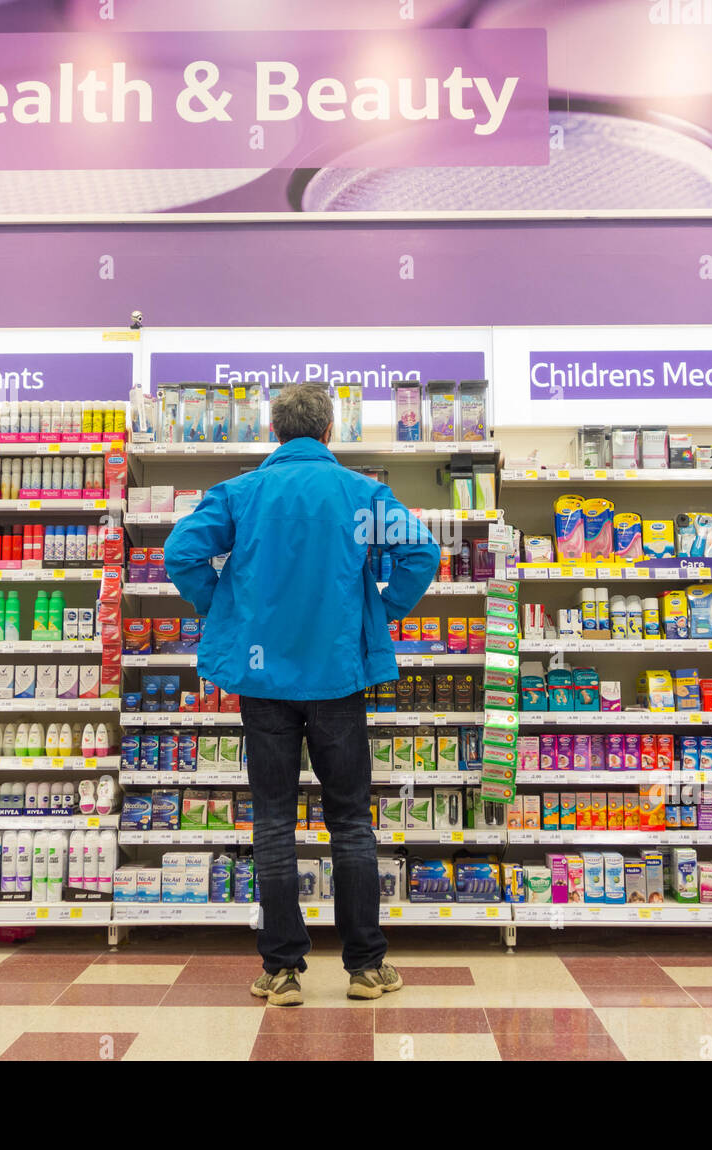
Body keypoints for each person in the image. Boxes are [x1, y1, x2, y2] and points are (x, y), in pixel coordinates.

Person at [164, 384, 440, 1006]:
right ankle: (366, 968)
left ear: (273, 432)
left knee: (272, 822)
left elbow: (182, 552)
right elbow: (421, 551)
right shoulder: (362, 494)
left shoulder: (240, 493)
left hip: (263, 683)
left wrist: (225, 607)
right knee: (349, 821)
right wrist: (382, 607)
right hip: (338, 675)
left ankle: (283, 970)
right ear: (330, 430)